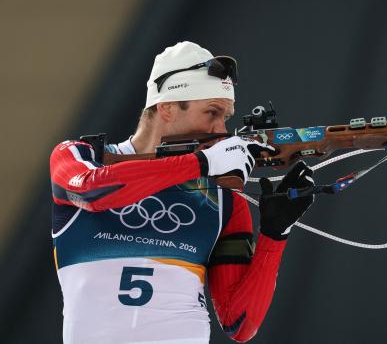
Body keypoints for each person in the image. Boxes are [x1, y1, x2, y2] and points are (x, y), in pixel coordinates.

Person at [49, 41, 315, 344]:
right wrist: (202, 162)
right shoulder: (80, 156)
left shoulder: (223, 195)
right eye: (211, 113)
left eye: (225, 117)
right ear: (167, 108)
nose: (220, 131)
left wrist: (275, 233)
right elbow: (92, 191)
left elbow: (239, 323)